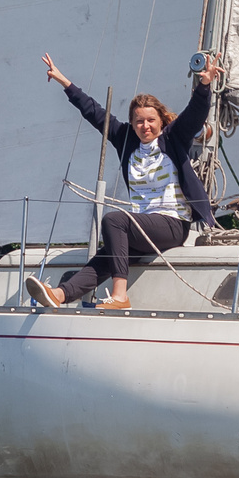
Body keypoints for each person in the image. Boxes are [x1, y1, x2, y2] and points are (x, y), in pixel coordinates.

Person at [27, 55, 219, 310]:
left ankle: (120, 296)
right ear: (132, 123)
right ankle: (60, 295)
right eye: (139, 121)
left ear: (161, 120)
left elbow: (194, 115)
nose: (145, 126)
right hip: (143, 226)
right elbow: (94, 112)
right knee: (107, 255)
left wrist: (204, 87)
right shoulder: (126, 139)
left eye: (151, 120)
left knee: (113, 220)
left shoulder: (174, 138)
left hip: (173, 223)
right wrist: (65, 83)